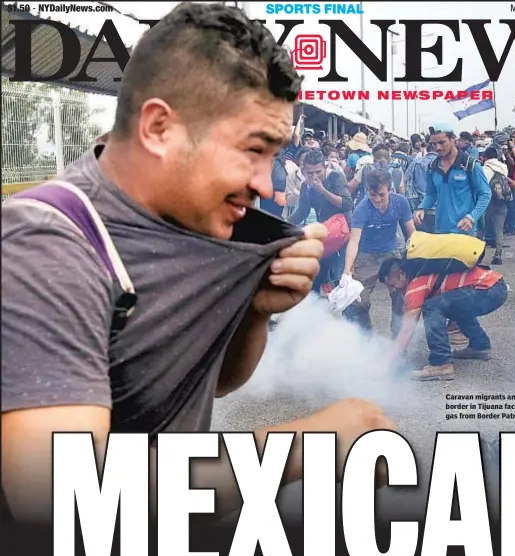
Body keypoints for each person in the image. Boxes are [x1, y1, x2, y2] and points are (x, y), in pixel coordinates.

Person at [1, 3, 395, 523]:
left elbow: (196, 385)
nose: (267, 184)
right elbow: (57, 492)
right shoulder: (46, 244)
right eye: (253, 150)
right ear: (160, 128)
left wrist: (255, 310)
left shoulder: (193, 218)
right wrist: (309, 446)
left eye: (274, 156)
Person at [379, 258, 508, 381]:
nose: (393, 290)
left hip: (487, 290)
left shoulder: (416, 285)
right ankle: (480, 346)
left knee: (431, 307)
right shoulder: (423, 272)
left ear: (402, 274)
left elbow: (407, 330)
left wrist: (388, 361)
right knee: (450, 305)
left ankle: (441, 364)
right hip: (495, 286)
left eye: (392, 284)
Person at [343, 169, 416, 334]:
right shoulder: (362, 209)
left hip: (390, 253)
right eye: (372, 194)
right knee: (358, 300)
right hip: (365, 256)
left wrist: (415, 259)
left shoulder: (401, 203)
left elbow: (412, 233)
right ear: (367, 190)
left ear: (390, 190)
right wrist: (347, 269)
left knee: (401, 295)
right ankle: (366, 335)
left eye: (381, 195)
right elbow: (354, 240)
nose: (376, 199)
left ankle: (398, 336)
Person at [288, 149, 353, 292]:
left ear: (324, 167)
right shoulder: (306, 186)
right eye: (310, 173)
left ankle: (345, 312)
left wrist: (323, 190)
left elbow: (347, 204)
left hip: (343, 235)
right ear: (304, 170)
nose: (314, 176)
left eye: (318, 172)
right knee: (318, 278)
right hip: (325, 236)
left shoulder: (336, 177)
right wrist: (285, 223)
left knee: (339, 278)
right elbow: (302, 212)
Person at [414, 123, 492, 237]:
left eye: (442, 142)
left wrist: (472, 217)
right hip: (440, 230)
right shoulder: (432, 167)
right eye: (434, 144)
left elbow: (485, 194)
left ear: (453, 139)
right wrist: (421, 208)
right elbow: (431, 194)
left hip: (465, 231)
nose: (438, 148)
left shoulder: (470, 165)